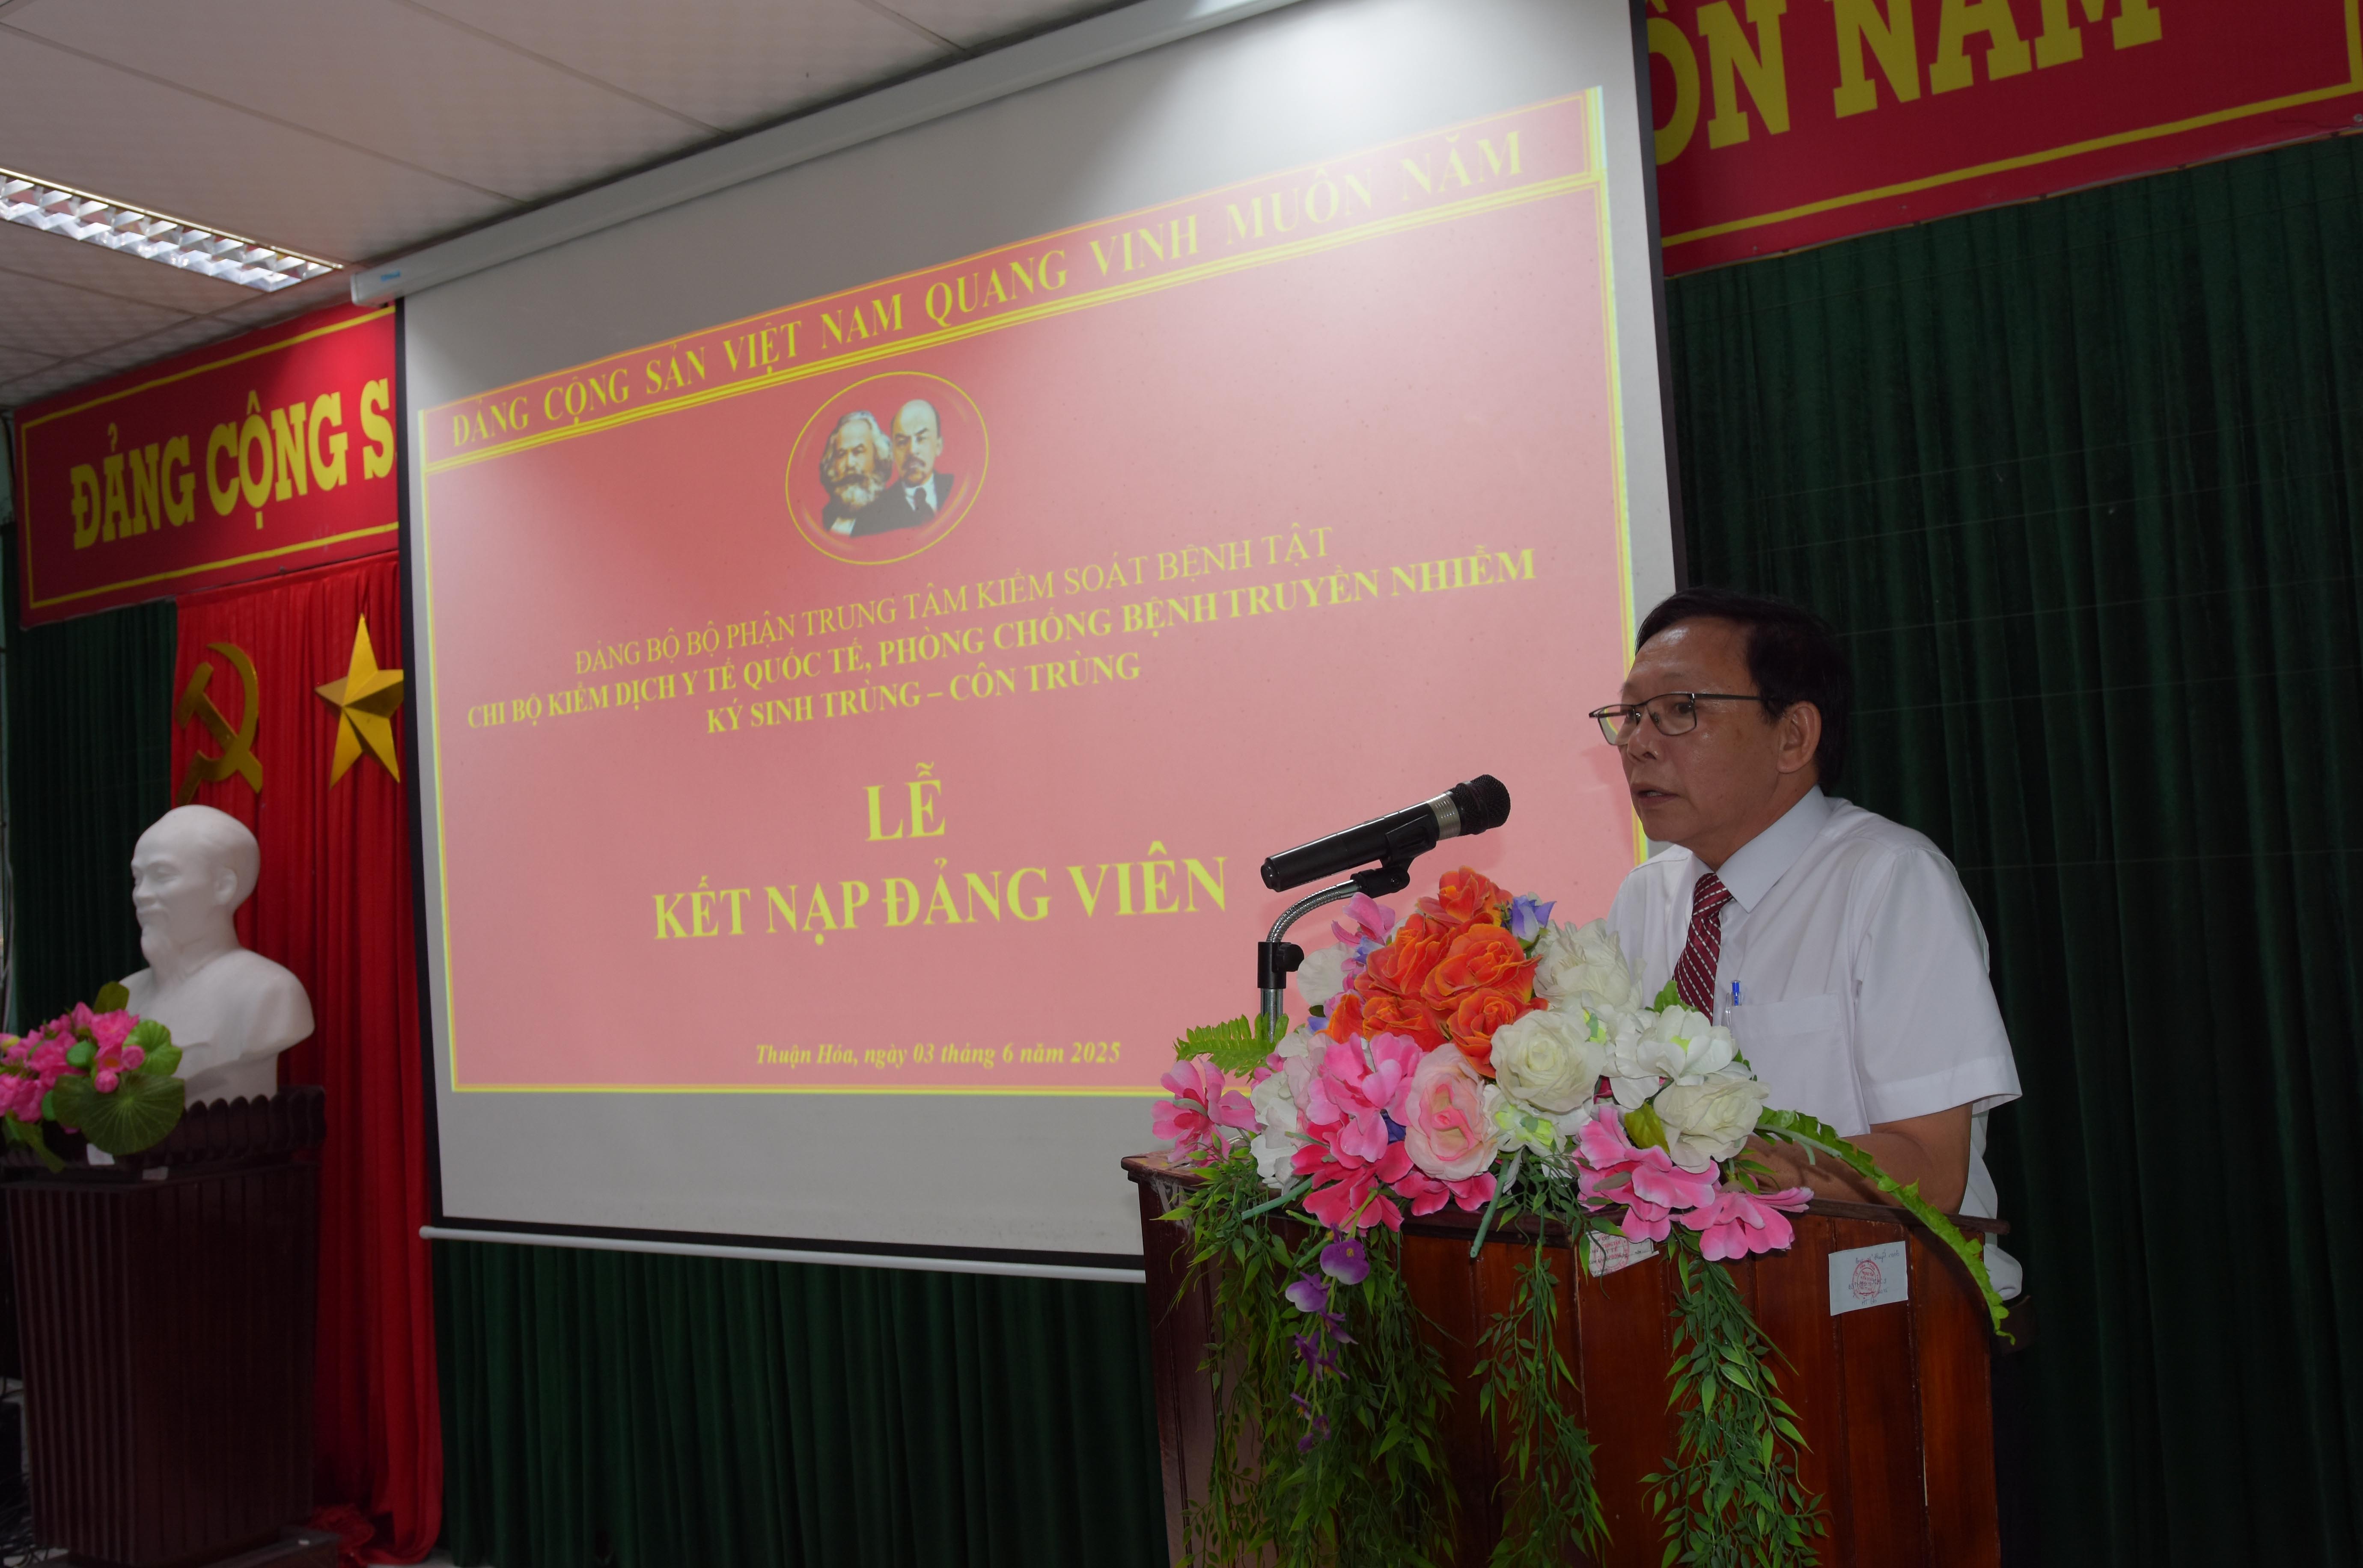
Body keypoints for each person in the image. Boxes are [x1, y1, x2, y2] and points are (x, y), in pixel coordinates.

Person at [1589, 587, 2024, 1296]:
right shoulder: (1644, 897)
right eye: (1631, 714)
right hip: (1695, 1318)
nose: (1638, 741)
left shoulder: (1889, 881)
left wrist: (1722, 1162)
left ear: (1793, 735)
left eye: (1680, 709)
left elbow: (1930, 1168)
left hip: (1887, 1313)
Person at [119, 804, 314, 1106]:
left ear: (223, 886)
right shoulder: (126, 995)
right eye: (138, 879)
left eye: (162, 875)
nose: (141, 894)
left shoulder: (270, 992)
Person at [864, 398, 957, 535]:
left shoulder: (955, 487)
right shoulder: (875, 514)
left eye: (921, 439)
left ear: (938, 446)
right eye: (902, 442)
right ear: (893, 451)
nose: (912, 450)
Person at [817, 410, 896, 537]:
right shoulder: (827, 516)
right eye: (841, 454)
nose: (849, 464)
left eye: (858, 452)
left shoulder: (892, 515)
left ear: (877, 456)